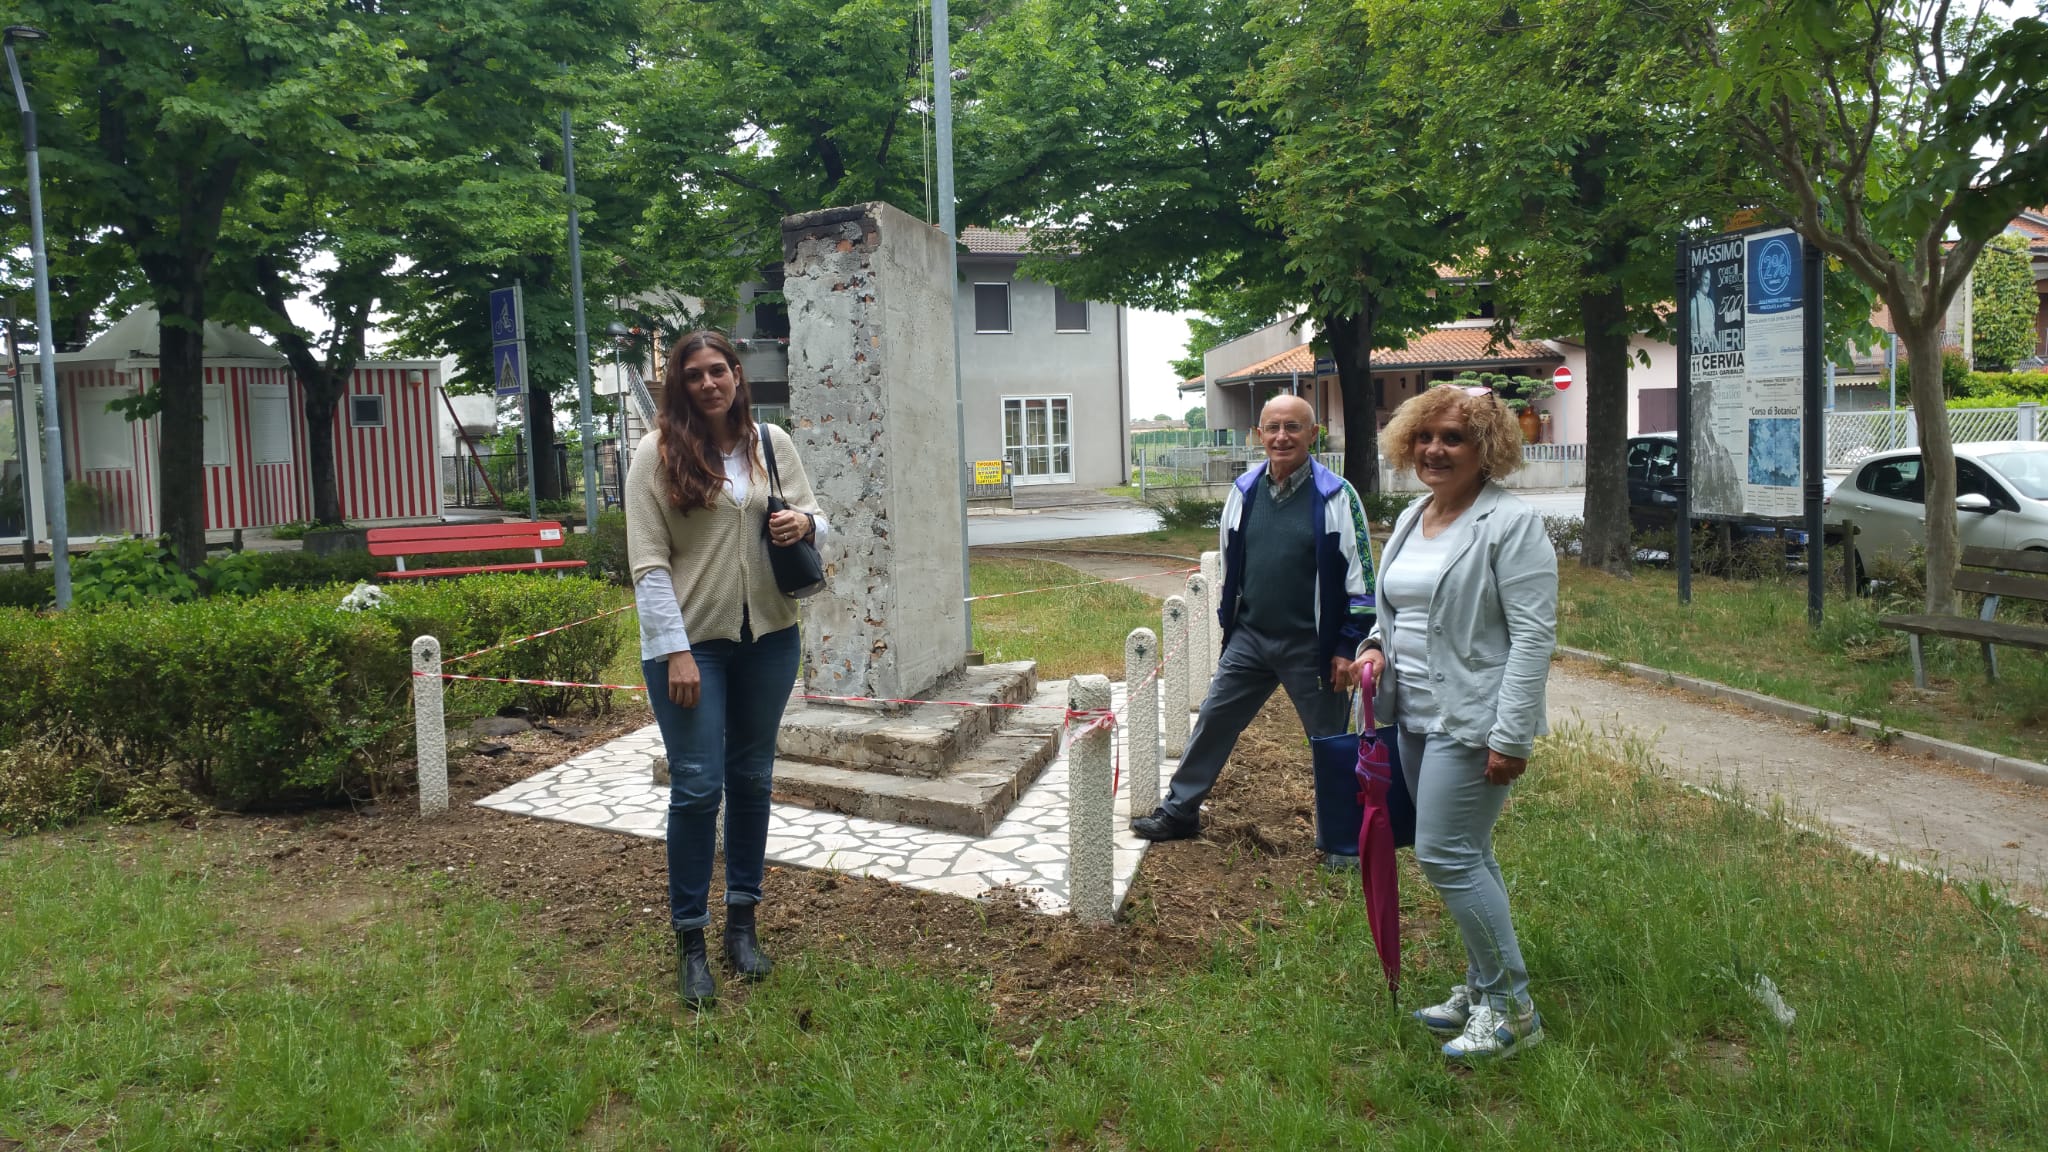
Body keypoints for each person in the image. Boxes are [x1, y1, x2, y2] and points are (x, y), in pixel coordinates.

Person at [626, 330, 826, 1009]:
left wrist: (804, 523)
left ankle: (743, 925)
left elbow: (821, 518)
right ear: (678, 387)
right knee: (695, 785)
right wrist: (676, 650)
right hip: (692, 646)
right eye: (693, 375)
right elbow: (649, 564)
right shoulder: (654, 455)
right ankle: (690, 941)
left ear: (737, 376)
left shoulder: (771, 444)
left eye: (719, 371)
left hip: (769, 637)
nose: (708, 383)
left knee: (751, 778)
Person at [1357, 384, 1556, 1061]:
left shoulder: (1509, 523)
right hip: (1411, 713)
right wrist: (1375, 649)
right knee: (1469, 853)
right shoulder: (1416, 515)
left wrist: (1512, 733)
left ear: (1487, 448)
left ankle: (1513, 1007)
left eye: (1454, 438)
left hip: (1471, 718)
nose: (1435, 450)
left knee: (1444, 854)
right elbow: (1395, 614)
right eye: (1426, 437)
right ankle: (1480, 988)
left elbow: (1533, 636)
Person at [1131, 394, 1376, 849]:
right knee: (1215, 720)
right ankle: (1180, 811)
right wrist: (1231, 623)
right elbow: (1230, 565)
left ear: (1313, 434)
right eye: (1273, 427)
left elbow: (1362, 582)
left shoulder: (1337, 496)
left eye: (1293, 427)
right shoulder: (1244, 491)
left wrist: (1348, 645)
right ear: (1259, 435)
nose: (1282, 436)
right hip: (1251, 638)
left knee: (1329, 743)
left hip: (1313, 646)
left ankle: (1339, 837)